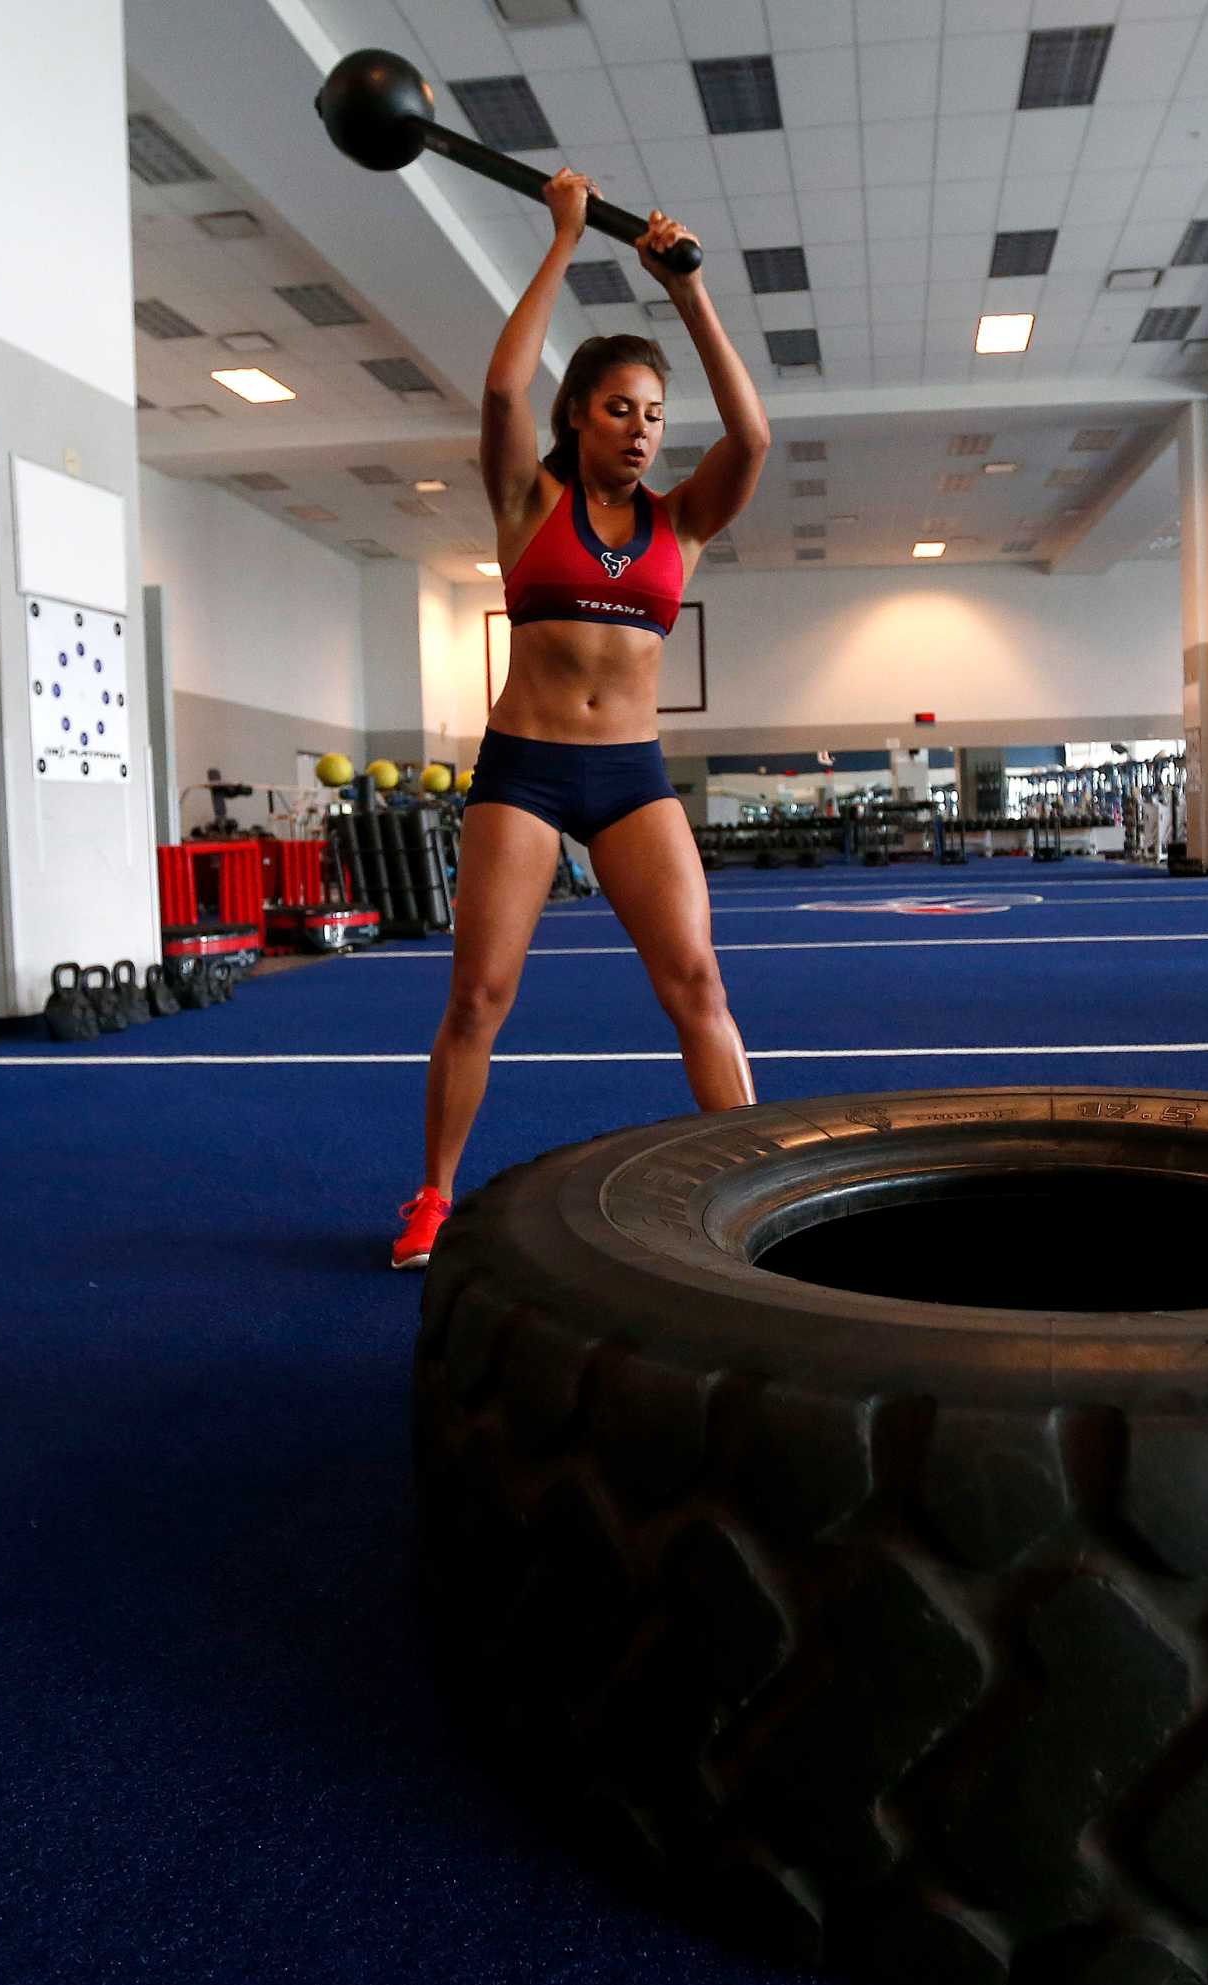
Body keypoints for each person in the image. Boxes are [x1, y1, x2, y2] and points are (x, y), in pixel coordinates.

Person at [391, 169, 767, 1270]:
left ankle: (742, 1181)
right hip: (526, 770)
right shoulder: (528, 504)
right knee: (480, 994)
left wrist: (686, 291)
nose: (642, 431)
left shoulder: (681, 524)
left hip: (631, 776)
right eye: (619, 408)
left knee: (697, 982)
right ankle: (432, 1193)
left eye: (654, 415)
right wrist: (561, 241)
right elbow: (504, 395)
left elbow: (749, 437)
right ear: (579, 415)